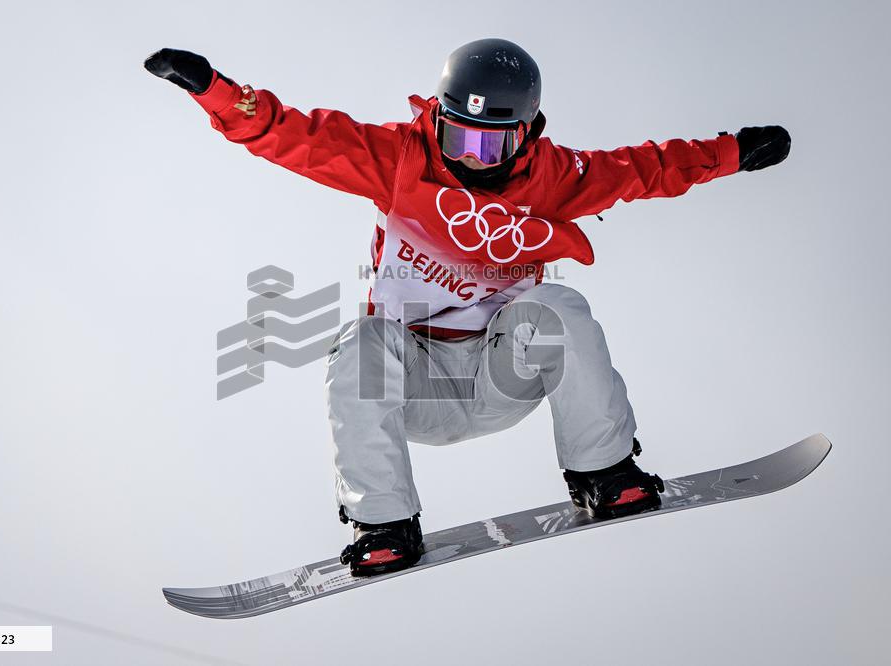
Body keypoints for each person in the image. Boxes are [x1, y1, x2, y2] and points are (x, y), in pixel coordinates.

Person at [145, 38, 791, 577]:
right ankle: (384, 522)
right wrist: (216, 90)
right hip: (415, 385)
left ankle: (604, 472)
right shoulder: (396, 158)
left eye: (490, 146)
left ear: (527, 133)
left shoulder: (556, 177)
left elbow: (645, 168)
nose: (468, 159)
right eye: (456, 138)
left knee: (557, 303)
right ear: (438, 118)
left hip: (500, 375)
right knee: (360, 339)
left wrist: (732, 152)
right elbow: (297, 136)